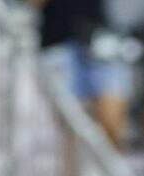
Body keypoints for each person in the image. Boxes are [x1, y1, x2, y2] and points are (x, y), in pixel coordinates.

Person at [31, 0, 131, 147]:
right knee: (68, 128)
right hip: (57, 45)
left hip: (100, 42)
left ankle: (117, 167)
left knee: (111, 120)